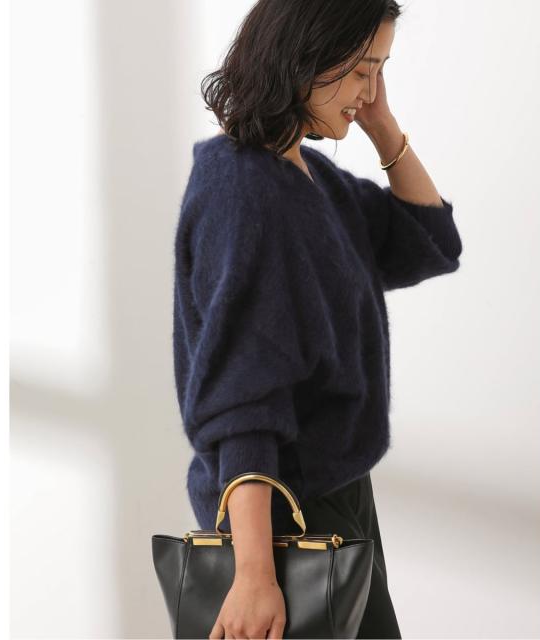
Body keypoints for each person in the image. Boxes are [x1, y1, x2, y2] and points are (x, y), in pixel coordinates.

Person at [172, 1, 463, 638]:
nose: (370, 91)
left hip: (339, 498)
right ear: (304, 58)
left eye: (380, 70)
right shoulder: (243, 193)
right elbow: (242, 404)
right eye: (361, 71)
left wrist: (384, 128)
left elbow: (431, 243)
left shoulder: (309, 177)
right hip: (287, 516)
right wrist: (254, 575)